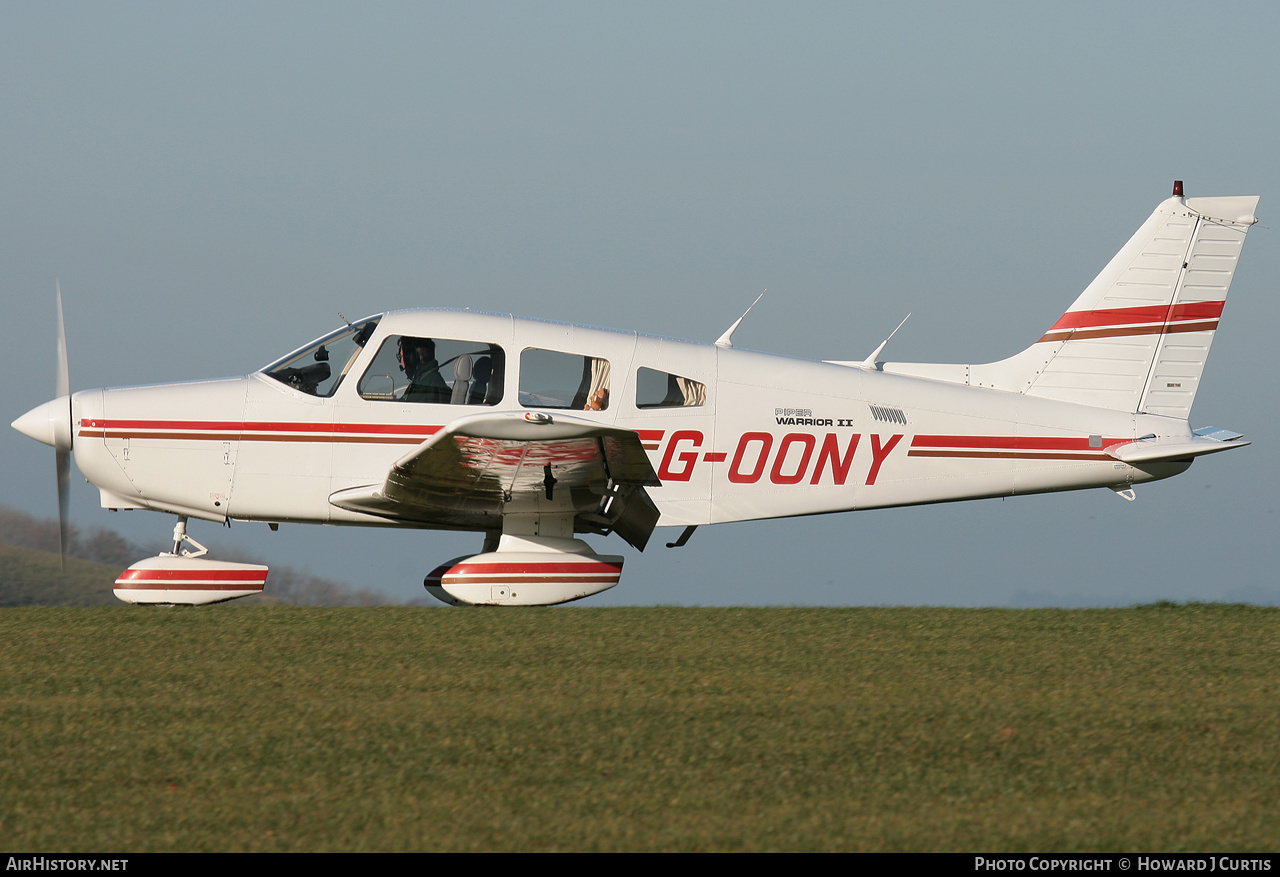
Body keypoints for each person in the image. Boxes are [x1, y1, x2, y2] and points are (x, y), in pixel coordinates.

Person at [398, 337, 450, 403]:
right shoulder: (422, 381)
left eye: (401, 357)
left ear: (411, 358)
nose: (401, 362)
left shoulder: (425, 386)